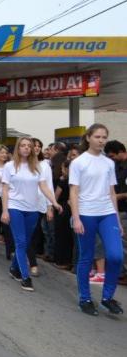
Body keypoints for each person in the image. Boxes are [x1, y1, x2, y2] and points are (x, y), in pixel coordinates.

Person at [69, 124, 124, 316]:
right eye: (98, 137)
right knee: (86, 257)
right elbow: (74, 191)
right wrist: (76, 218)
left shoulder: (108, 163)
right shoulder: (79, 162)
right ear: (88, 138)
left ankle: (107, 297)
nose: (101, 140)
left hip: (107, 213)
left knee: (116, 256)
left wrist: (116, 220)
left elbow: (111, 192)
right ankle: (85, 298)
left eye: (104, 137)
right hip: (86, 214)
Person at [2, 137, 62, 292]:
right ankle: (25, 277)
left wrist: (53, 203)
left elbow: (44, 186)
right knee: (21, 243)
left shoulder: (37, 167)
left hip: (32, 210)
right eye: (23, 145)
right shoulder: (9, 166)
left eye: (29, 146)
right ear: (18, 148)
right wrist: (5, 210)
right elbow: (5, 190)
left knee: (25, 243)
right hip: (15, 207)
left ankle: (14, 269)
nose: (26, 148)